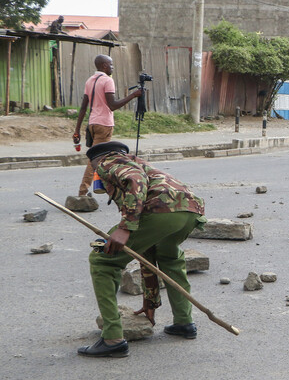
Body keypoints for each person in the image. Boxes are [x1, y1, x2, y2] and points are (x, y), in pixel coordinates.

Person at [77, 141, 207, 357]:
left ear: (94, 163)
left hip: (160, 210)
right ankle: (184, 323)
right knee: (169, 258)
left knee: (102, 259)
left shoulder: (107, 162)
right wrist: (150, 300)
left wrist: (125, 227)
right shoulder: (136, 162)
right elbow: (146, 253)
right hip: (189, 210)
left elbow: (135, 180)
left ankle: (112, 339)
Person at [73, 55, 142, 198]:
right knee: (95, 159)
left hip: (92, 124)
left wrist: (77, 130)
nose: (112, 67)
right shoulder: (107, 80)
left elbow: (83, 107)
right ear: (104, 66)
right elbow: (113, 105)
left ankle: (108, 188)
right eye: (111, 65)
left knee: (103, 157)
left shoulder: (90, 81)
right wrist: (133, 95)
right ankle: (83, 192)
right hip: (104, 125)